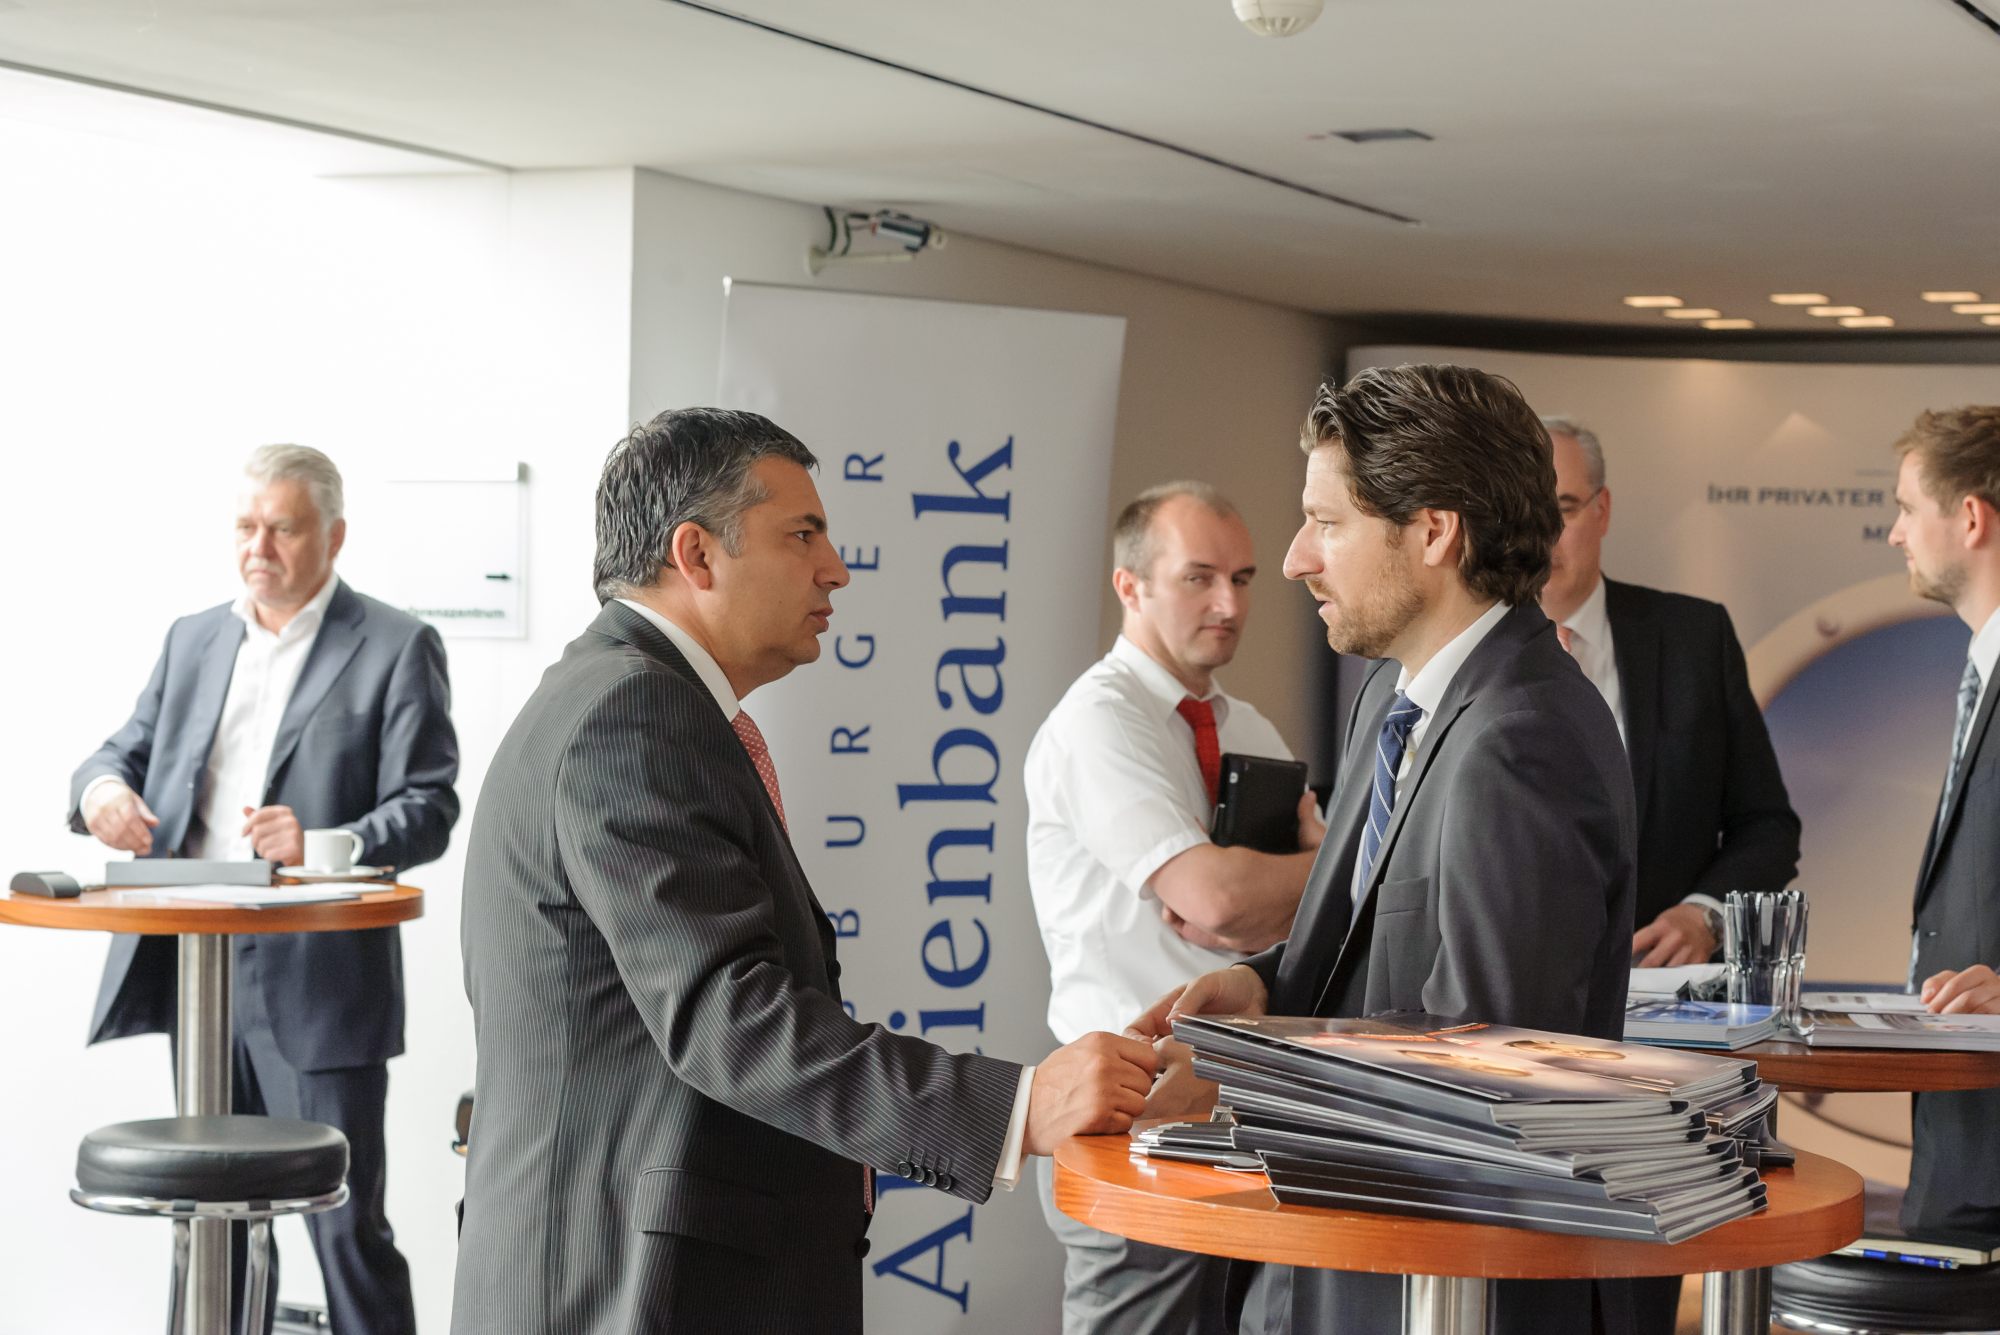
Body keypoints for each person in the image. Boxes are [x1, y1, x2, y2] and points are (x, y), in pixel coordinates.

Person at [451, 408, 1158, 1335]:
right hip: (631, 1288)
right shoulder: (634, 712)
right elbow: (730, 1017)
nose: (836, 568)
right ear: (696, 554)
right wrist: (1024, 1105)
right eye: (803, 534)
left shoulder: (626, 696)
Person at [1133, 364, 1638, 1335]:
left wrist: (1248, 1065)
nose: (1294, 560)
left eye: (1326, 523)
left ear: (1434, 532)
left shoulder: (1521, 738)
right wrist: (1262, 987)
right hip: (1342, 1252)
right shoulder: (1393, 696)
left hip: (1443, 1286)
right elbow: (1370, 948)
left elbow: (1486, 1058)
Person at [70, 443, 458, 1335]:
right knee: (220, 1217)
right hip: (199, 972)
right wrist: (104, 795)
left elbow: (430, 804)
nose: (259, 547)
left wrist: (326, 841)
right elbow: (118, 751)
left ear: (334, 535)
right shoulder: (194, 637)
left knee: (345, 1226)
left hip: (321, 979)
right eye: (245, 526)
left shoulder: (397, 644)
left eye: (281, 528)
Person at [1025, 481, 1322, 1334]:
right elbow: (1216, 900)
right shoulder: (1098, 723)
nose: (1229, 604)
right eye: (1199, 577)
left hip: (1245, 1105)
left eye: (1243, 578)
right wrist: (1313, 871)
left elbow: (1321, 910)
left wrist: (1300, 881)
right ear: (1131, 585)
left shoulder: (1249, 727)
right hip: (1131, 1106)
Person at [1540, 416, 1801, 968]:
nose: (1542, 536)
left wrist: (1705, 914)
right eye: (1523, 512)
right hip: (1499, 989)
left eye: (1562, 509)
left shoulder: (1694, 638)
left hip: (1661, 988)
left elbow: (1767, 826)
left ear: (1602, 509)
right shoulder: (1459, 653)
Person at [1880, 405, 2000, 1243]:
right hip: (1963, 1135)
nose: (1896, 533)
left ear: (1971, 518)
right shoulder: (1980, 668)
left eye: (1907, 508)